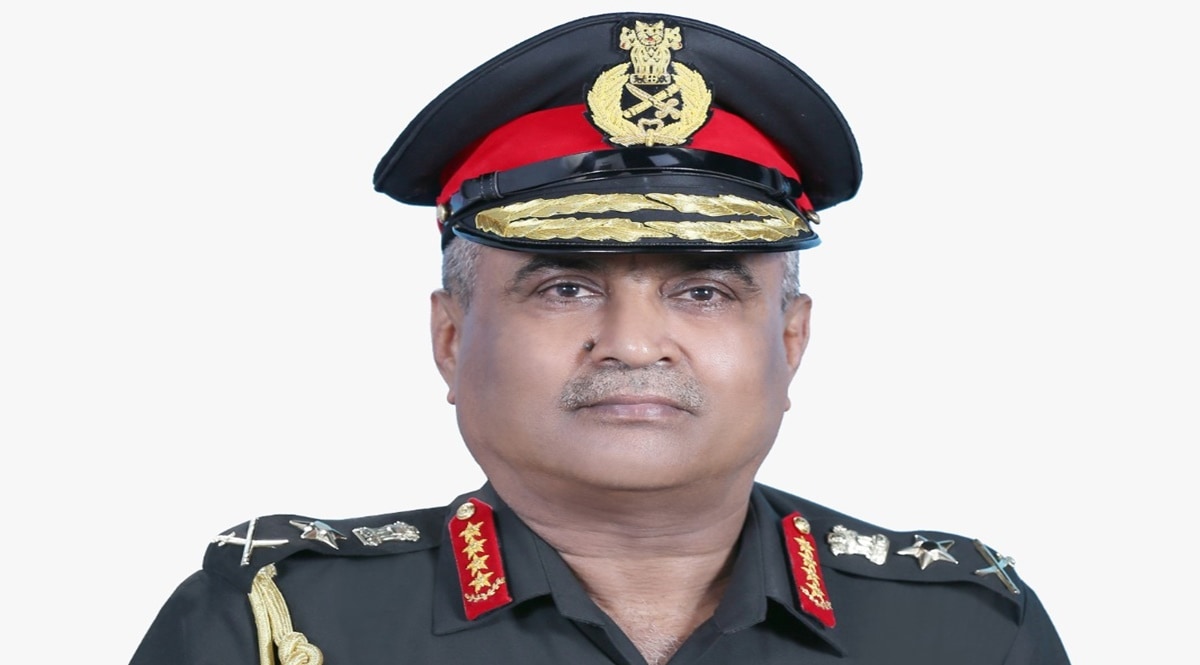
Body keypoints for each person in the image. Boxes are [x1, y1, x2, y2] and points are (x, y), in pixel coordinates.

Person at [130, 12, 1070, 665]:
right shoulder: (275, 630)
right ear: (450, 337)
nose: (633, 343)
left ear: (792, 339)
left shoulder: (967, 635)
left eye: (702, 290)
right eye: (565, 286)